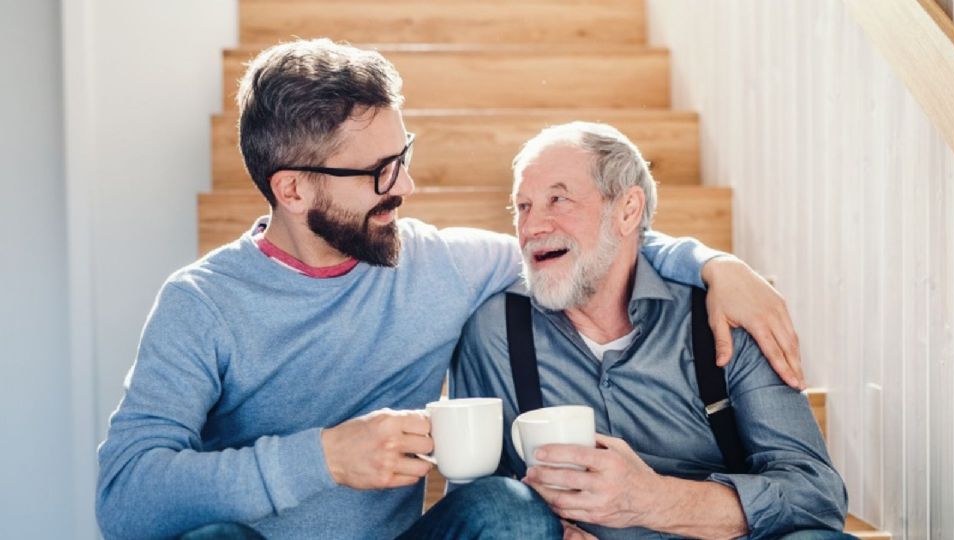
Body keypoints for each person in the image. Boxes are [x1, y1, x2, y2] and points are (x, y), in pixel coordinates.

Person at [96, 39, 805, 540]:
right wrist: (323, 458)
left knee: (506, 507)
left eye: (402, 157)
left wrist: (712, 263)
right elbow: (125, 497)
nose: (405, 186)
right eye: (378, 173)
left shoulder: (437, 264)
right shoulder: (203, 302)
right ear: (293, 189)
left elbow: (585, 245)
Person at [451, 122, 848, 539]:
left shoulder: (723, 316)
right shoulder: (495, 330)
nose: (532, 227)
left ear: (627, 210)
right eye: (523, 206)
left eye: (558, 199)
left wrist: (654, 500)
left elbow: (817, 496)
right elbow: (479, 502)